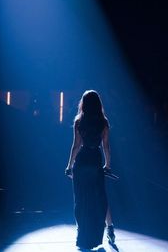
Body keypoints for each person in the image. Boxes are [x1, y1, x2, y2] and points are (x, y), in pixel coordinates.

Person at [65, 90, 111, 250]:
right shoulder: (103, 122)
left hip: (82, 161)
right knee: (98, 200)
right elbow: (106, 146)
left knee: (80, 200)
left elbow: (76, 146)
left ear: (83, 104)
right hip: (95, 160)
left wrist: (69, 166)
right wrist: (108, 165)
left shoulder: (79, 121)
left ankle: (81, 234)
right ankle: (96, 235)